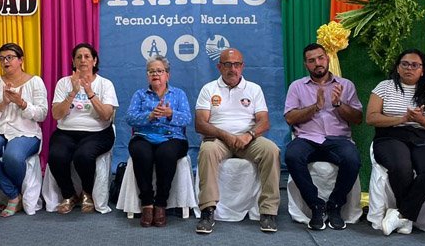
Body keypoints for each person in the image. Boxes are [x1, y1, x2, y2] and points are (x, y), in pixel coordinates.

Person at [194, 48, 280, 234]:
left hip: (247, 139)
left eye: (236, 64)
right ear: (219, 67)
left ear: (242, 66)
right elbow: (200, 124)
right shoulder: (209, 89)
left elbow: (264, 121)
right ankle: (208, 210)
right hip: (219, 139)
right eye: (227, 64)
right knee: (207, 150)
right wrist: (226, 136)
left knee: (271, 150)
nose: (232, 69)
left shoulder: (254, 89)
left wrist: (248, 135)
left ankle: (268, 211)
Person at [366, 49, 425, 235]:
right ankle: (407, 216)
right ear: (398, 67)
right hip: (390, 136)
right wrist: (402, 119)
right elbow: (371, 118)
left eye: (414, 65)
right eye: (404, 64)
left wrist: (422, 120)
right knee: (401, 166)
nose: (409, 68)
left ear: (423, 70)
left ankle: (402, 216)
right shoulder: (384, 86)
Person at [284, 43, 363, 231]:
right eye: (311, 61)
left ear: (327, 59)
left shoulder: (346, 85)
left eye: (320, 58)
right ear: (306, 65)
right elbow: (289, 118)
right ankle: (316, 205)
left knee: (352, 159)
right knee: (292, 156)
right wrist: (315, 107)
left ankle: (335, 205)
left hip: (338, 139)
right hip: (307, 138)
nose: (317, 63)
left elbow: (358, 118)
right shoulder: (297, 87)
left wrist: (339, 105)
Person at [0, 43, 48, 217]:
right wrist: (3, 104)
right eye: (2, 58)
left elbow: (42, 114)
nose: (5, 62)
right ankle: (14, 195)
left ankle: (13, 194)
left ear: (21, 60)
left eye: (10, 57)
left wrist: (21, 103)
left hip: (26, 132)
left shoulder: (35, 82)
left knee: (12, 156)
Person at [48, 43, 118, 214]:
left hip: (98, 133)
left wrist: (89, 92)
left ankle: (87, 192)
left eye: (87, 56)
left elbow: (106, 115)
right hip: (66, 132)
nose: (83, 60)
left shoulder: (105, 84)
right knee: (56, 155)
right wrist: (72, 92)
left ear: (94, 61)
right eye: (78, 57)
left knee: (83, 156)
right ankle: (69, 194)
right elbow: (56, 114)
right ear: (73, 62)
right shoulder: (64, 83)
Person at [125, 55, 191, 227]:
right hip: (144, 136)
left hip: (173, 137)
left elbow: (187, 119)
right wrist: (150, 115)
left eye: (159, 71)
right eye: (151, 71)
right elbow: (130, 118)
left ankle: (161, 203)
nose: (156, 74)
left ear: (167, 75)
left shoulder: (178, 94)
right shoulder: (140, 95)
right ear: (147, 76)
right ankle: (147, 203)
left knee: (165, 154)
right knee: (141, 152)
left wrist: (170, 114)